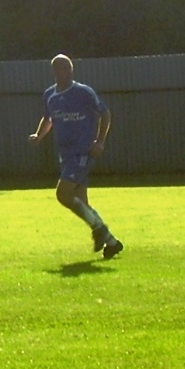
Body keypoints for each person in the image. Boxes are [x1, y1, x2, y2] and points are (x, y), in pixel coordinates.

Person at [28, 54, 123, 259]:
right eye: (63, 69)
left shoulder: (83, 92)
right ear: (55, 72)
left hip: (82, 153)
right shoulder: (50, 96)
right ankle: (112, 242)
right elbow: (48, 118)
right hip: (66, 155)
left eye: (70, 68)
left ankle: (101, 230)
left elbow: (105, 113)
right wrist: (38, 135)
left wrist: (100, 141)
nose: (68, 72)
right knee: (81, 203)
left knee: (62, 194)